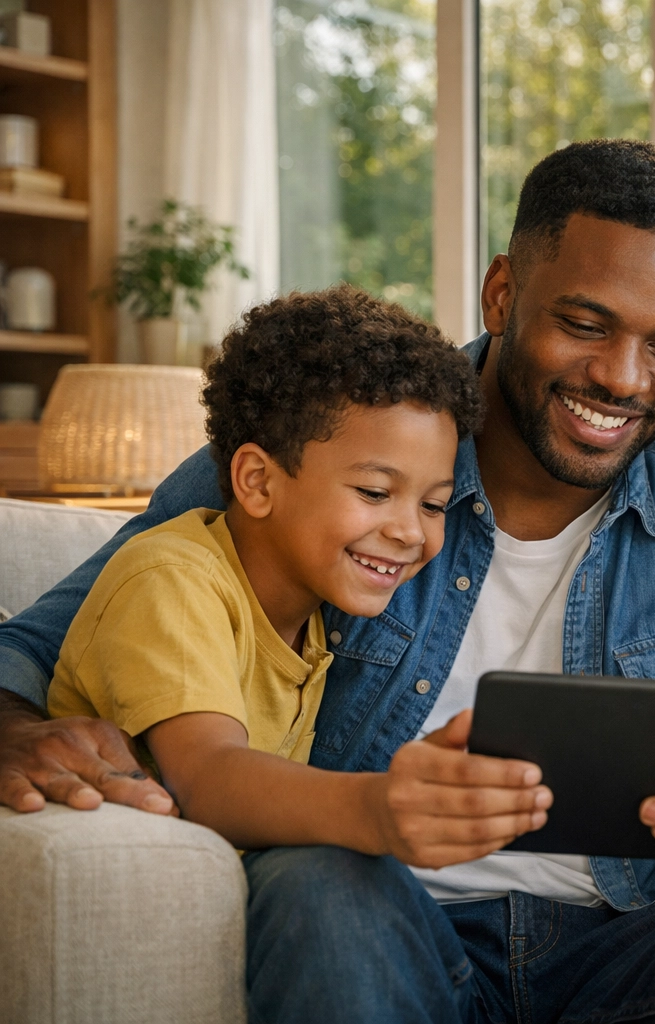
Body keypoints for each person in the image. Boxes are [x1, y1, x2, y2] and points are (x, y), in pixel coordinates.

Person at [0, 140, 655, 1024]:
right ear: (502, 293)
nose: (623, 377)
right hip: (386, 911)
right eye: (584, 324)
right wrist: (17, 732)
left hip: (635, 944)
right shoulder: (330, 444)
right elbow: (39, 648)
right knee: (318, 884)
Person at [47, 287, 512, 858]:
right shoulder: (172, 581)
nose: (411, 532)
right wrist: (377, 807)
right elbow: (208, 778)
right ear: (258, 482)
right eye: (374, 492)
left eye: (434, 504)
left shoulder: (307, 620)